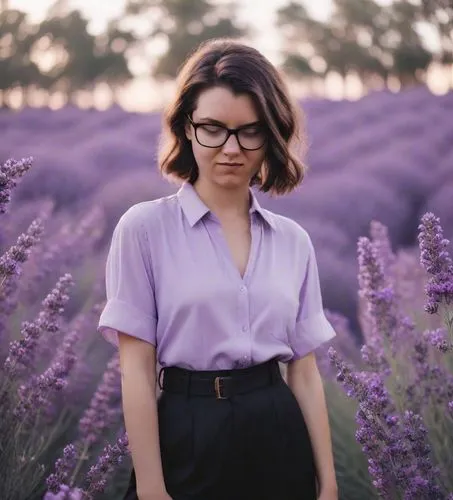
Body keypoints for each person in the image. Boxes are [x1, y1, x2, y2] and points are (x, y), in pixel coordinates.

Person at [97, 38, 338, 500]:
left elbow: (304, 373)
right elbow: (136, 369)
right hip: (188, 431)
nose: (231, 148)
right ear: (186, 129)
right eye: (212, 128)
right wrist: (151, 488)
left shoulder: (293, 241)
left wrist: (327, 484)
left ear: (271, 134)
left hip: (277, 431)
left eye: (250, 131)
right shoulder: (144, 229)